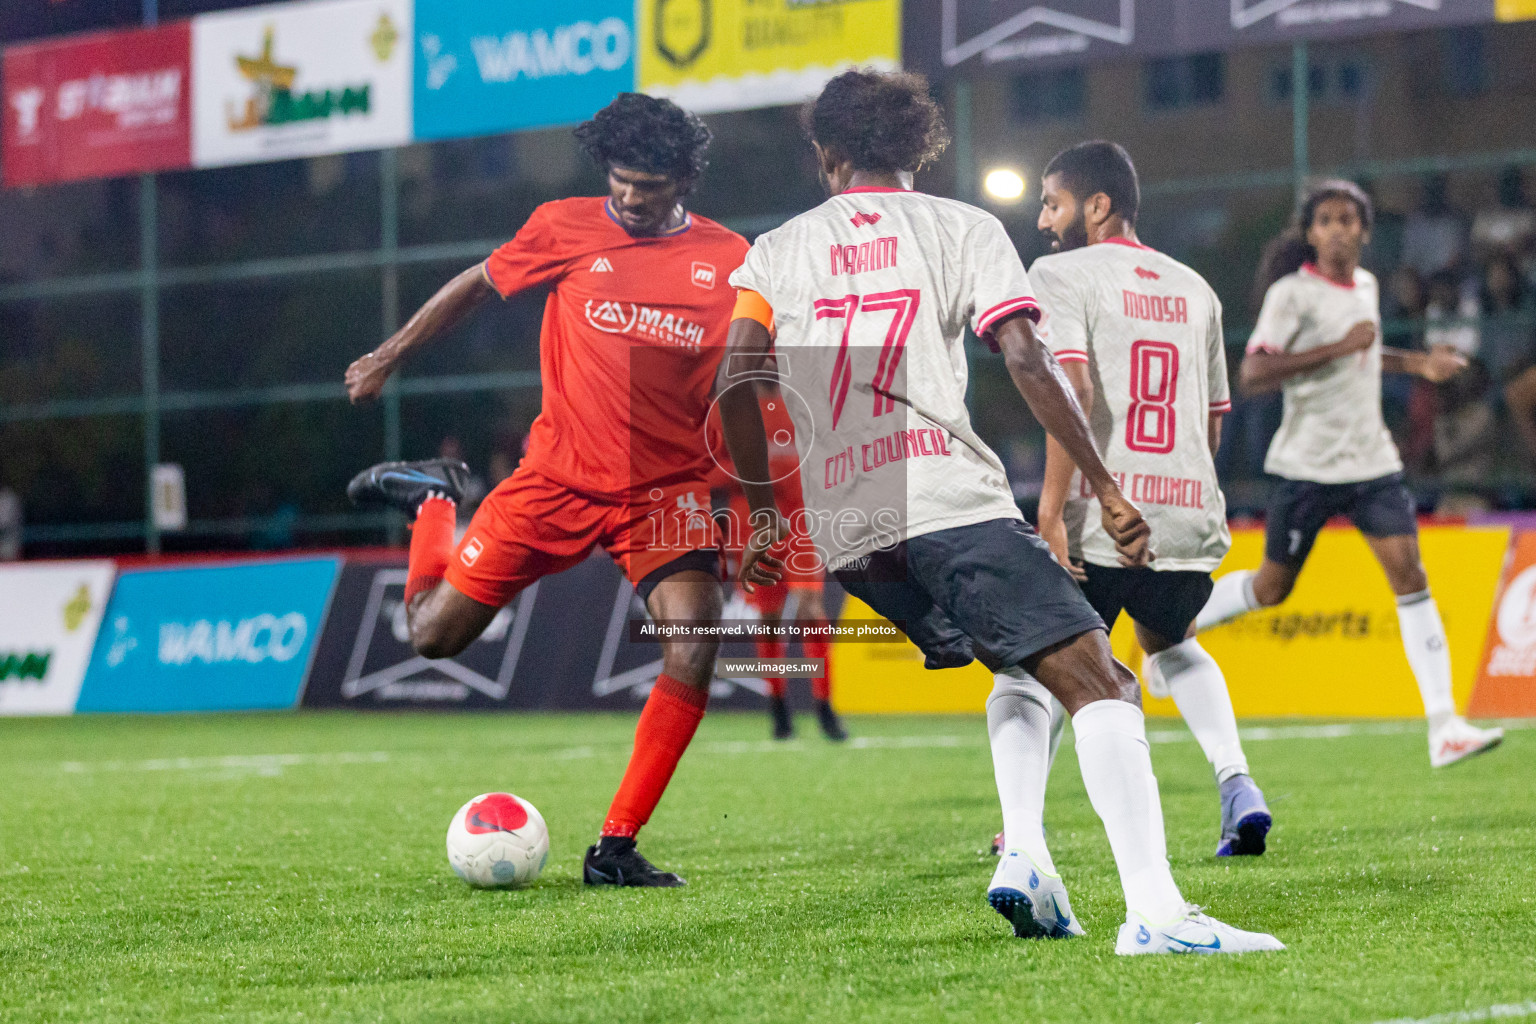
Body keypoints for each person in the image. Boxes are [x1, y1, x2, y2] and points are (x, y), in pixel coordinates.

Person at [717, 69, 1283, 955]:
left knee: (1023, 669)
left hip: (850, 528)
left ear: (828, 157)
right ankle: (1159, 917)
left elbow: (735, 382)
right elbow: (1025, 354)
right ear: (919, 148)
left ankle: (1028, 861)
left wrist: (760, 518)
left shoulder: (776, 248)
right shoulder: (962, 226)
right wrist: (1102, 482)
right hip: (944, 496)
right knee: (1102, 680)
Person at [343, 93, 752, 887]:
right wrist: (391, 354)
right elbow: (474, 284)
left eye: (648, 185)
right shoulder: (564, 225)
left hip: (663, 493)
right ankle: (435, 500)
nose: (630, 197)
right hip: (556, 479)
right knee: (431, 637)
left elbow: (747, 381)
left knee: (696, 644)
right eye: (620, 180)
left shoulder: (733, 261)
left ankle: (616, 848)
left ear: (684, 180)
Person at [1193, 179, 1504, 768]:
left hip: (1371, 463)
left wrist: (1419, 364)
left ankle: (1444, 726)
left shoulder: (1367, 284)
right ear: (1311, 233)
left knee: (1410, 575)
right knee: (1271, 588)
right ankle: (1182, 622)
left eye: (1349, 219)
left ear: (1364, 230)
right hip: (1308, 465)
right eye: (1326, 220)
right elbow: (1253, 375)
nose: (1339, 229)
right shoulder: (1291, 294)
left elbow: (1366, 351)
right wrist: (1335, 347)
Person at [1027, 140, 1271, 857]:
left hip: (1106, 515)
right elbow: (1214, 419)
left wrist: (1053, 509)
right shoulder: (1197, 288)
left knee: (1050, 660)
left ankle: (1024, 825)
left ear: (1096, 206)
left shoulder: (1060, 272)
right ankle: (1237, 784)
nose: (1045, 220)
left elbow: (1071, 387)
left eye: (1053, 202)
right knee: (1172, 643)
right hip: (1188, 514)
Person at [706, 382, 848, 741]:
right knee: (768, 619)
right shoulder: (732, 409)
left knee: (811, 607)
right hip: (754, 527)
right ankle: (779, 706)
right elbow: (711, 471)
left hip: (801, 525)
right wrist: (755, 473)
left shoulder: (805, 403)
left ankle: (824, 705)